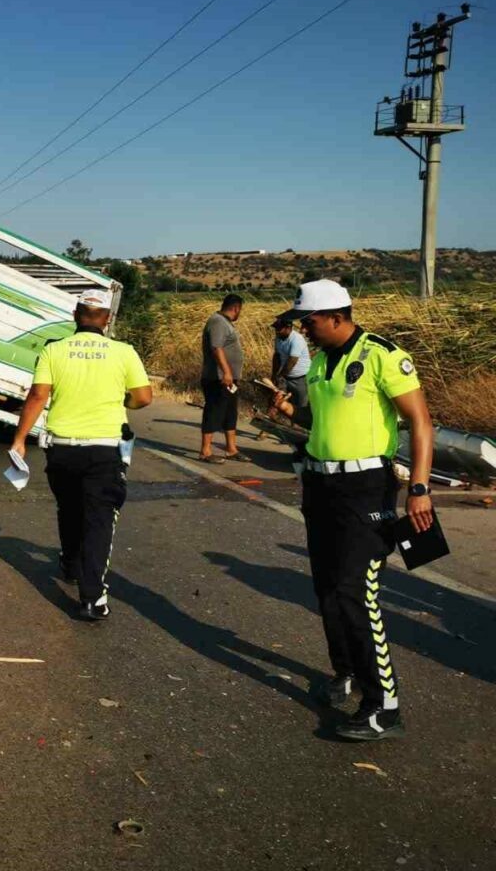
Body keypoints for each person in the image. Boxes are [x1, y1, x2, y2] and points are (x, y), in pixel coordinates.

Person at [272, 280, 434, 742]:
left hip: (366, 488)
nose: (305, 329)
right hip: (321, 484)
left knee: (356, 592)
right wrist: (289, 413)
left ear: (338, 317)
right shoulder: (322, 362)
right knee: (326, 588)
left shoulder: (383, 355)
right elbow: (320, 422)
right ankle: (344, 671)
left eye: (311, 321)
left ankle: (385, 704)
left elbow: (421, 421)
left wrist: (419, 488)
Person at [10, 289, 153, 621]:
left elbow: (37, 396)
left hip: (61, 450)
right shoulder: (124, 352)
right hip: (105, 449)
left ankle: (71, 563)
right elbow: (143, 397)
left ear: (76, 315)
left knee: (70, 508)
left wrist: (19, 439)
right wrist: (124, 404)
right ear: (106, 319)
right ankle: (92, 598)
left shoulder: (53, 351)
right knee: (99, 520)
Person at [200, 294, 245, 463]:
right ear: (236, 308)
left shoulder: (225, 323)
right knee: (213, 411)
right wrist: (226, 372)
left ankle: (231, 449)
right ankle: (205, 451)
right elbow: (216, 347)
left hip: (229, 380)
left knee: (230, 413)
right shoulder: (218, 322)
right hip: (217, 378)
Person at [271, 316, 311, 410]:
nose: (277, 331)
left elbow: (292, 361)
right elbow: (277, 356)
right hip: (285, 376)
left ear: (288, 328)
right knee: (278, 400)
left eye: (279, 329)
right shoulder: (278, 338)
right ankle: (272, 419)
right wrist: (274, 374)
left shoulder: (296, 339)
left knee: (301, 405)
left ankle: (297, 424)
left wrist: (280, 375)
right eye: (276, 328)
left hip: (301, 378)